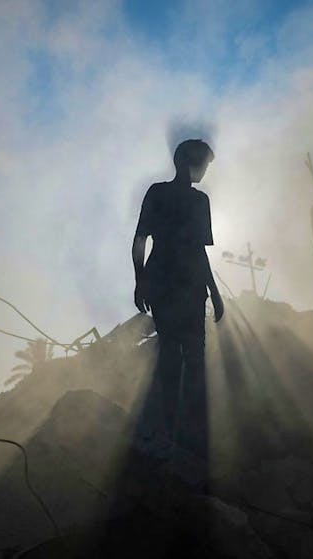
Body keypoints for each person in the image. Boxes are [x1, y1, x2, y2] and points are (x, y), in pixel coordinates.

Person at [132, 139, 224, 449]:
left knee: (176, 356)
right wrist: (140, 279)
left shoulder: (165, 194)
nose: (206, 171)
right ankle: (177, 432)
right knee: (186, 356)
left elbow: (142, 240)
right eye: (205, 164)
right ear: (190, 162)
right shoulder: (192, 201)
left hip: (171, 283)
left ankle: (180, 431)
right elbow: (143, 238)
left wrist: (141, 278)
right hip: (179, 285)